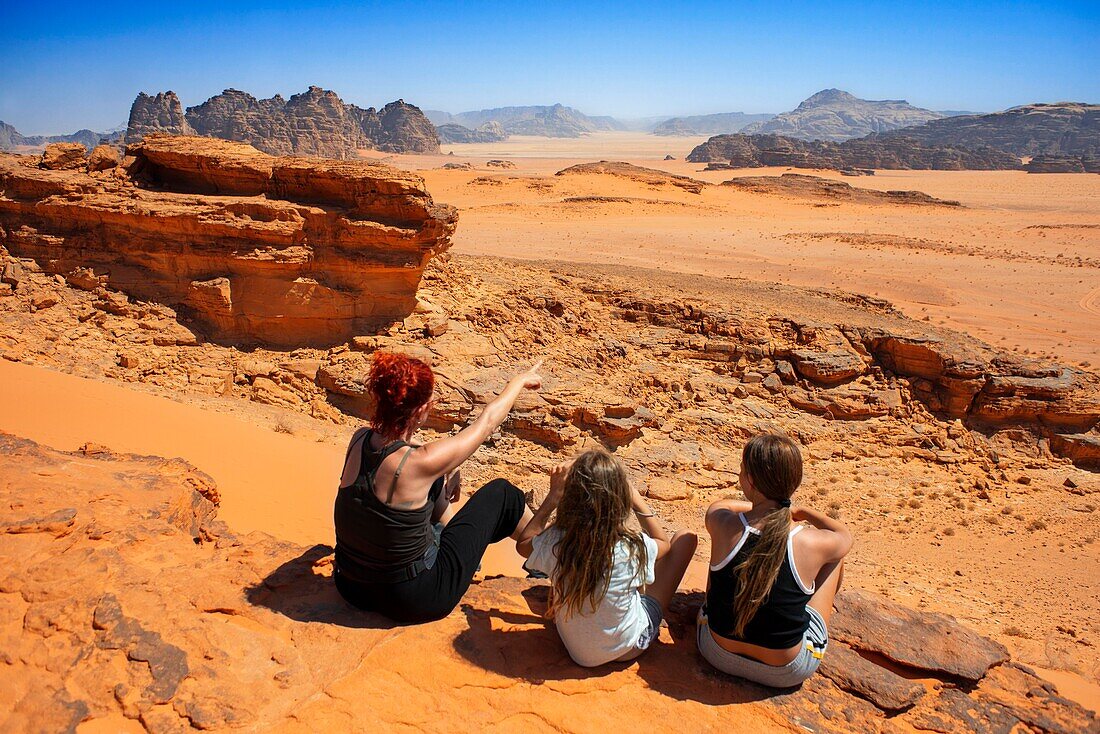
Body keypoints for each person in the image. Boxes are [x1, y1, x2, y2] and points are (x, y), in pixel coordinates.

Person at [334, 351, 542, 624]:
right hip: (414, 598)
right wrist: (518, 382)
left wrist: (445, 470)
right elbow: (488, 422)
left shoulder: (359, 440)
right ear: (420, 410)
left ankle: (464, 551)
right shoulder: (420, 464)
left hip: (353, 588)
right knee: (502, 494)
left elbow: (395, 454)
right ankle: (543, 566)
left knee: (433, 485)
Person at [697, 433, 852, 688]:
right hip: (785, 672)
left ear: (750, 480)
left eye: (741, 469)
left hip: (717, 654)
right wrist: (801, 512)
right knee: (834, 559)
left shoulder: (723, 524)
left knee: (720, 564)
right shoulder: (810, 542)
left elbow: (719, 504)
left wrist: (758, 507)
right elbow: (844, 537)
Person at [517, 449, 698, 667]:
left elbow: (524, 544)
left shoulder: (559, 544)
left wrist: (553, 496)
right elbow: (664, 543)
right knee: (685, 540)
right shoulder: (630, 547)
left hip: (576, 651)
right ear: (619, 499)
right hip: (627, 648)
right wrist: (637, 500)